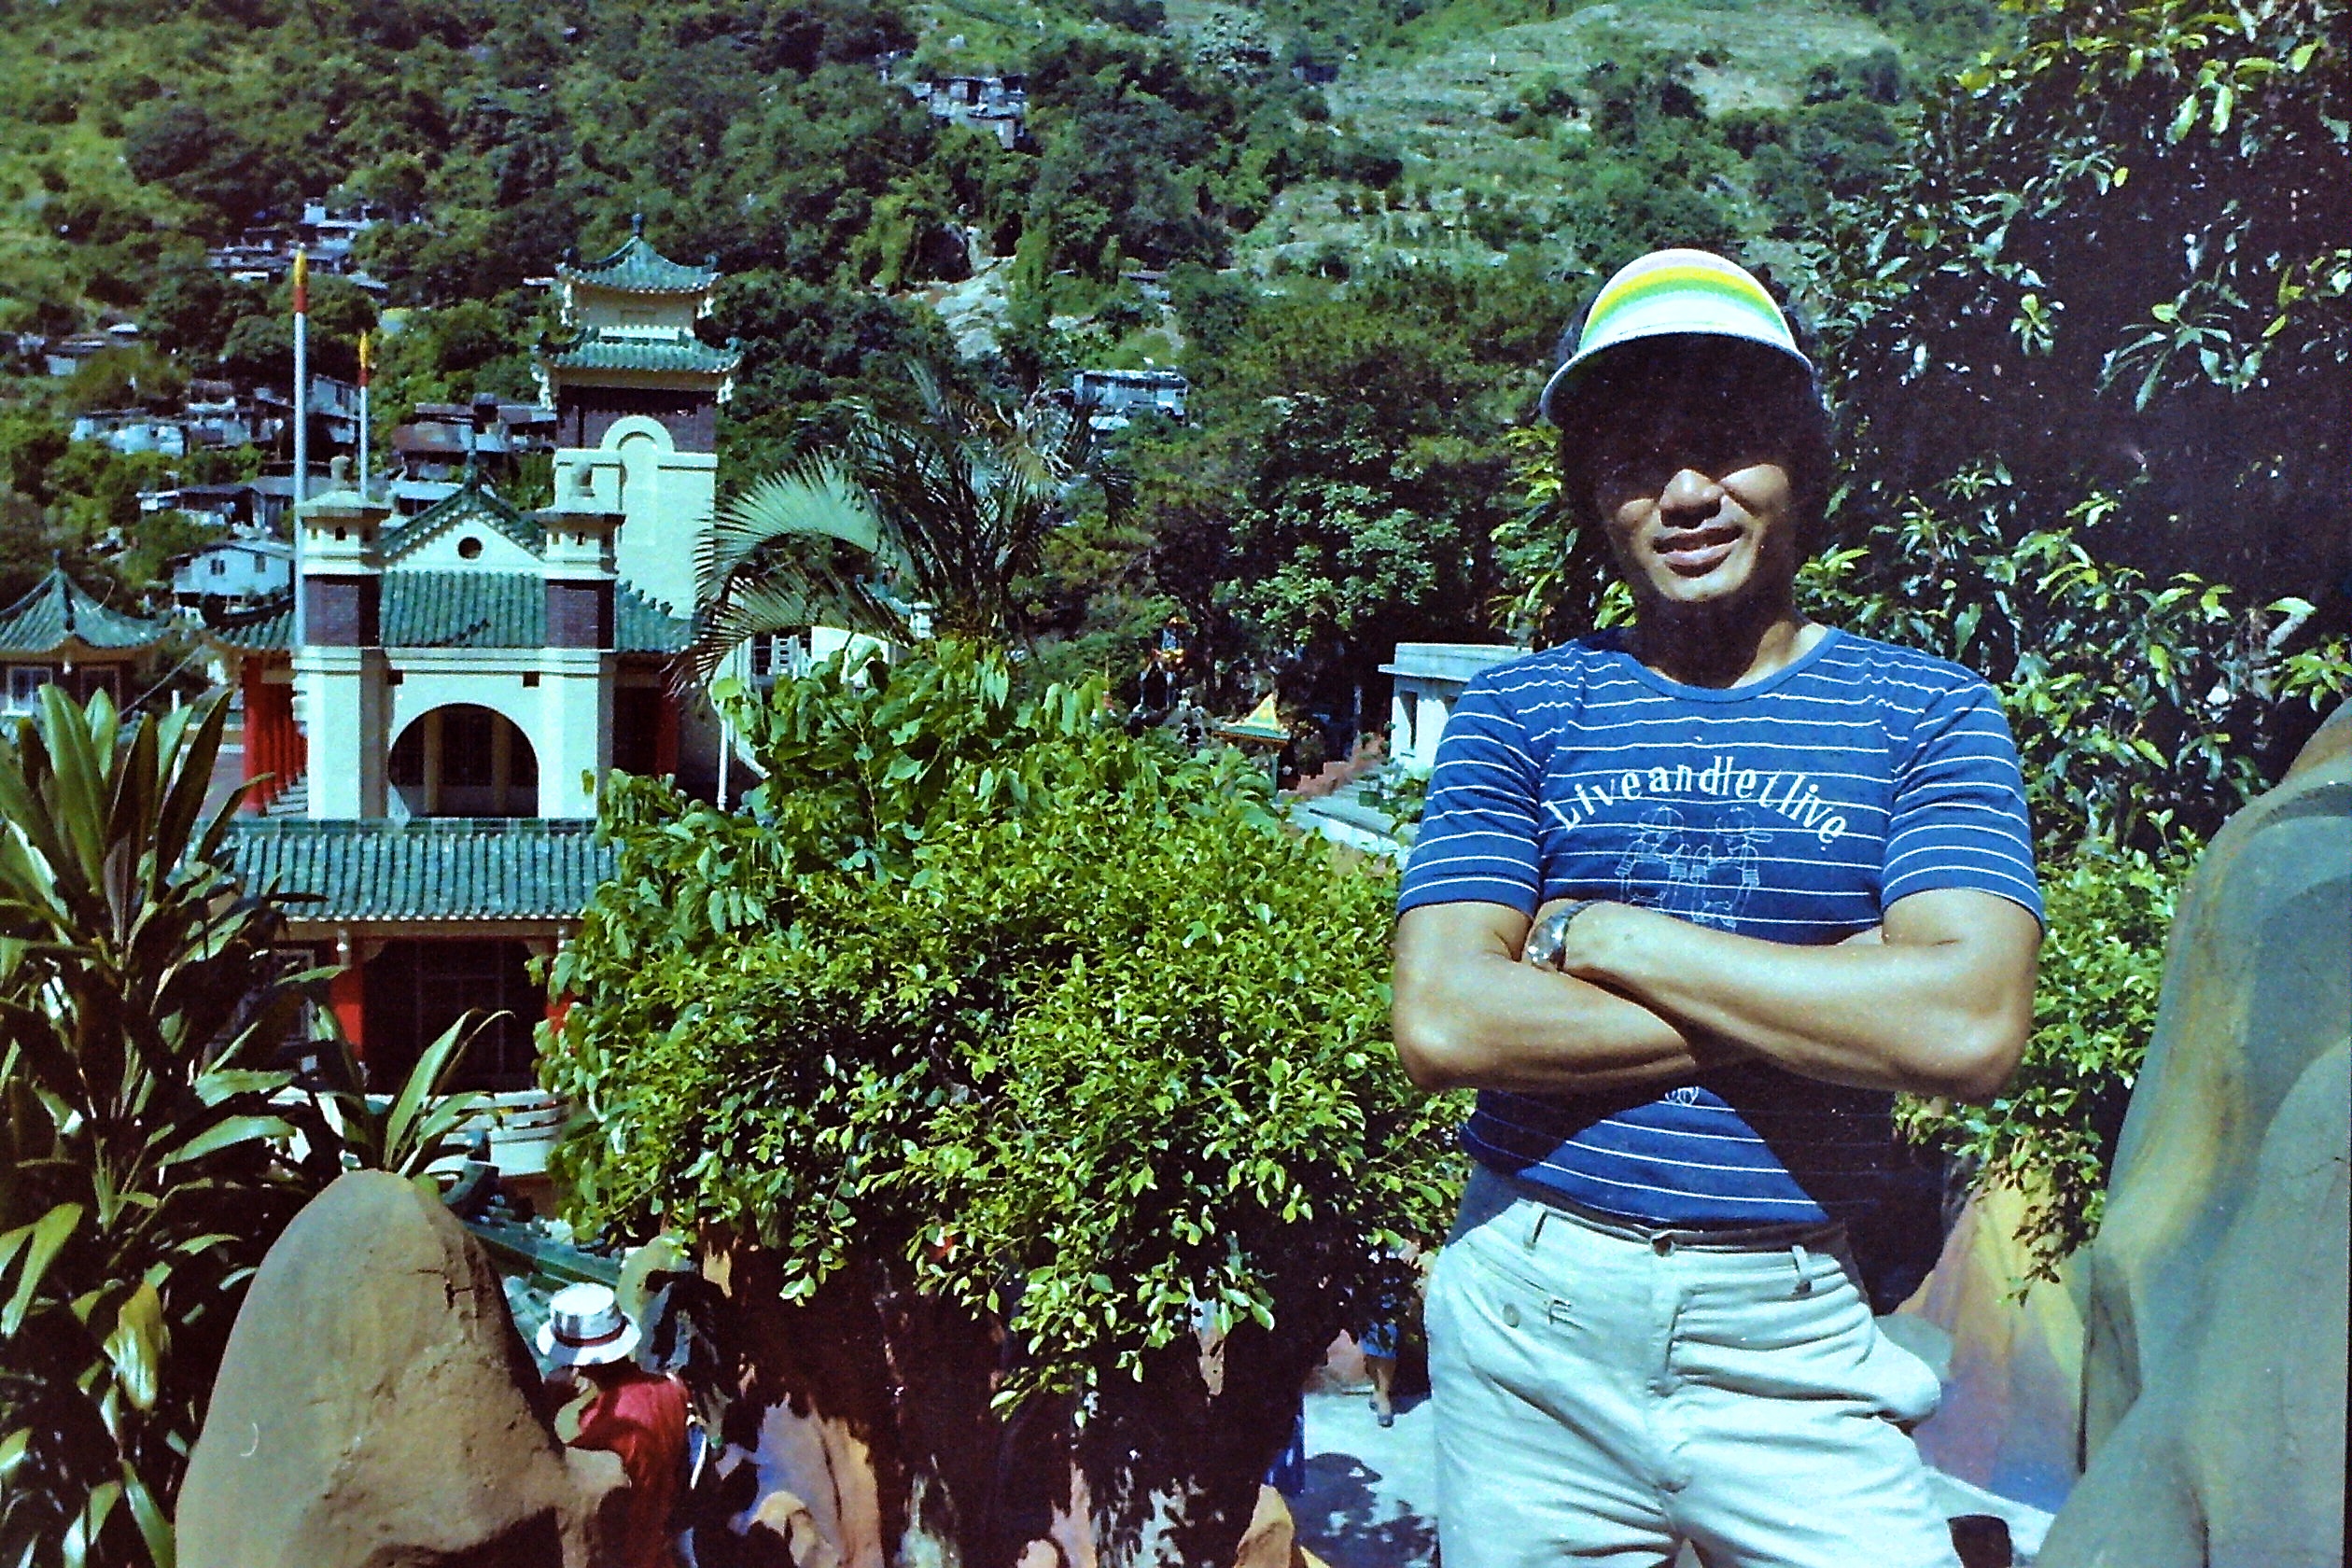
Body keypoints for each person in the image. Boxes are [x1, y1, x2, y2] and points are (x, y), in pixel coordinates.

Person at [1389, 248, 2043, 1568]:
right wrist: (1834, 988)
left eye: (1730, 444)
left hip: (1794, 1331)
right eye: (1639, 459)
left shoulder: (1928, 715)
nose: (1687, 493)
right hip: (1528, 1320)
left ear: (1802, 464)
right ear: (1597, 495)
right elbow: (1448, 1020)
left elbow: (1967, 1028)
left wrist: (1605, 938)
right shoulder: (1521, 707)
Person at [539, 1281, 690, 1568]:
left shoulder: (599, 1429)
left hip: (626, 1553)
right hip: (659, 1541)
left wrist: (550, 1405)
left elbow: (561, 1482)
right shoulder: (672, 1388)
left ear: (577, 1364)